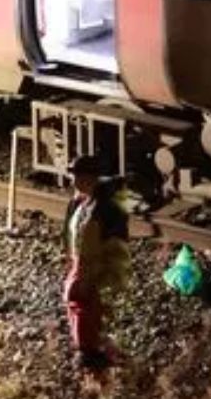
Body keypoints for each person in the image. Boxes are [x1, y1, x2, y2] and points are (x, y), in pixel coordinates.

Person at [61, 155, 130, 370]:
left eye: (79, 176)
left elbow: (116, 248)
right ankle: (89, 352)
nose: (74, 181)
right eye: (74, 176)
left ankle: (92, 355)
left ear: (92, 178)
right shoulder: (79, 202)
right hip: (81, 264)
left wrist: (103, 278)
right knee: (77, 306)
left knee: (88, 310)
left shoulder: (107, 209)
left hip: (95, 269)